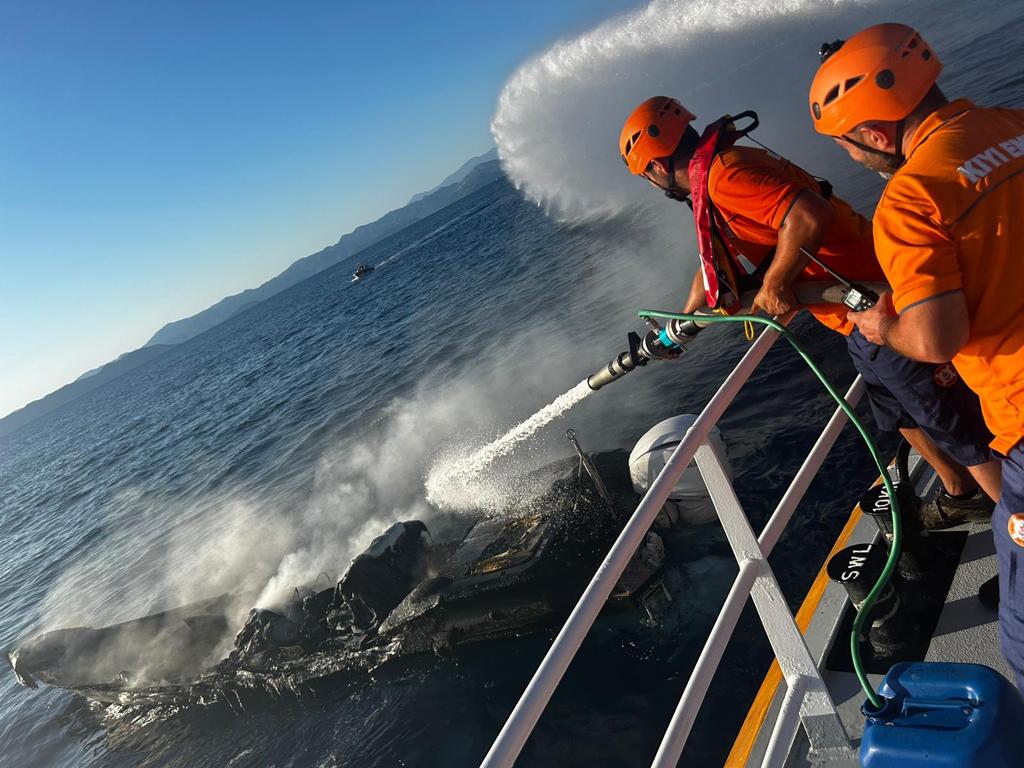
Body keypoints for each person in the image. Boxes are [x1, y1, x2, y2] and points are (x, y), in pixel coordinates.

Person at [618, 96, 1001, 528]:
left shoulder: (726, 176)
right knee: (899, 413)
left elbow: (808, 213)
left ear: (654, 168)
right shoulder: (715, 176)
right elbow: (716, 258)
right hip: (851, 320)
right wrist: (684, 320)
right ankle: (960, 490)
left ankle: (1008, 511)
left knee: (952, 423)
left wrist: (778, 283)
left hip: (879, 298)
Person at [808, 21, 1023, 685]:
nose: (851, 160)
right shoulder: (1012, 123)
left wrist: (879, 327)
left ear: (873, 132)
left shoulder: (911, 199)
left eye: (846, 144)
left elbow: (936, 339)